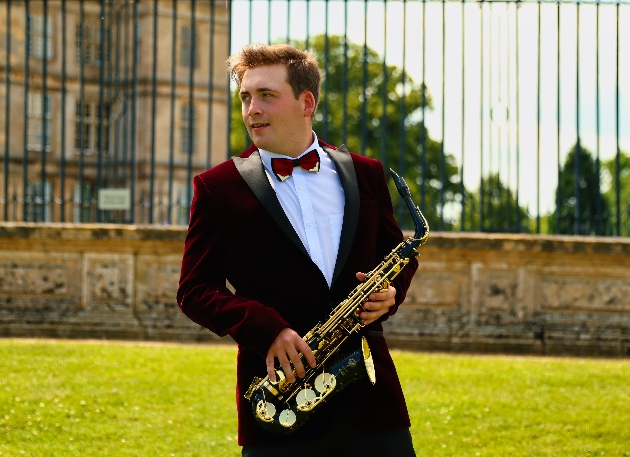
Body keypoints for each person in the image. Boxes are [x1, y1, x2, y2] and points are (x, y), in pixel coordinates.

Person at [177, 43, 419, 457]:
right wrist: (264, 327)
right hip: (279, 404)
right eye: (246, 97)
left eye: (266, 96)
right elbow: (194, 289)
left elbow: (398, 254)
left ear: (307, 102)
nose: (252, 109)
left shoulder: (366, 173)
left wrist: (390, 296)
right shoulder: (218, 188)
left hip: (373, 406)